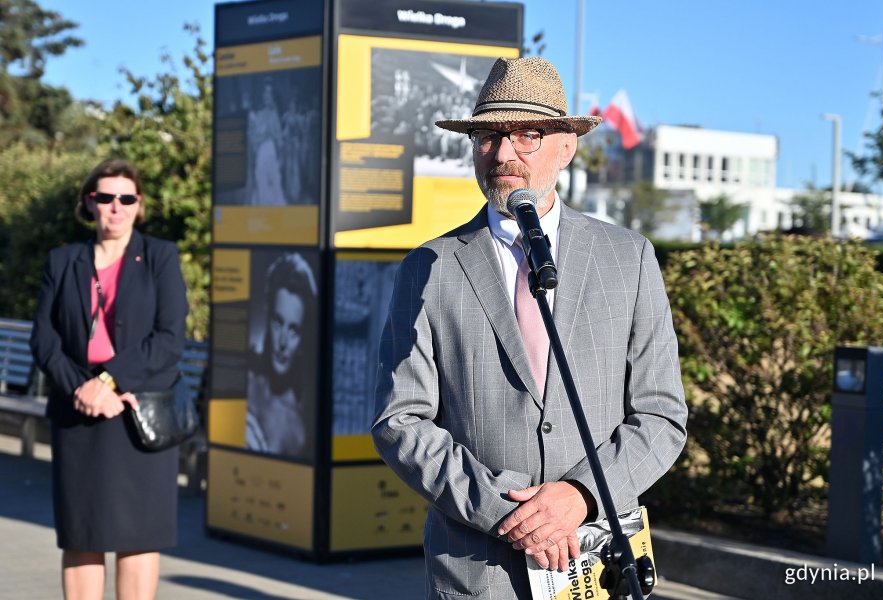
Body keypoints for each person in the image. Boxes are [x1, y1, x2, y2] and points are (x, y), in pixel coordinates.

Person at [372, 57, 688, 598]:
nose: (503, 153)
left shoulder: (628, 258)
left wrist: (580, 496)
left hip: (595, 562)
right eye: (489, 136)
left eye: (528, 134)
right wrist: (508, 513)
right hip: (476, 569)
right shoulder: (431, 267)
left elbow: (662, 416)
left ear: (566, 147)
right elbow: (400, 420)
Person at [30, 158, 188, 599]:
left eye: (126, 198)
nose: (115, 207)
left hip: (138, 416)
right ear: (89, 203)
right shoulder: (62, 261)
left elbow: (169, 338)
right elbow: (44, 338)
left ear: (138, 205)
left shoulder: (160, 257)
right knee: (82, 535)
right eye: (105, 198)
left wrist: (109, 382)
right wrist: (82, 387)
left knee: (139, 537)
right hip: (79, 413)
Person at [245, 251, 317, 457]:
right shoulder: (245, 380)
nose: (283, 342)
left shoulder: (294, 428)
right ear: (267, 317)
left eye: (293, 330)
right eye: (278, 322)